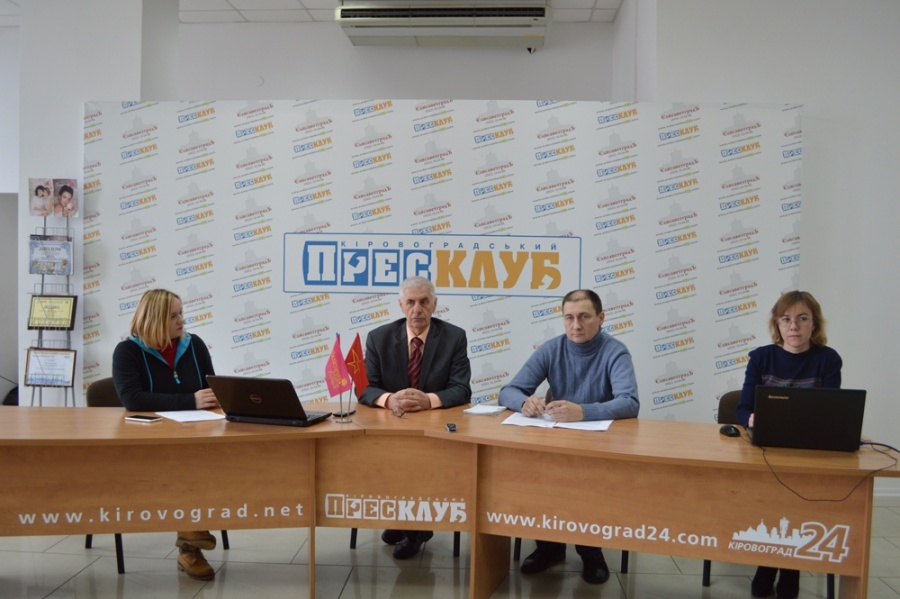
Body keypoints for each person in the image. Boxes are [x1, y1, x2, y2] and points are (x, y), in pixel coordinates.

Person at [499, 288, 639, 585]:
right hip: (557, 441)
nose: (576, 325)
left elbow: (629, 402)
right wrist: (523, 402)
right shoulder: (551, 349)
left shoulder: (615, 351)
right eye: (569, 318)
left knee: (587, 480)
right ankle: (549, 547)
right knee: (535, 472)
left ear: (601, 318)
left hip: (599, 444)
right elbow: (508, 391)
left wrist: (584, 411)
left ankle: (591, 552)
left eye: (584, 317)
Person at [736, 290, 842, 599]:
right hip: (767, 449)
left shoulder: (827, 359)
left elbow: (833, 412)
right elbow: (742, 408)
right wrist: (752, 418)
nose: (793, 326)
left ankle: (786, 567)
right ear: (777, 325)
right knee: (772, 495)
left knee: (797, 493)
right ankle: (772, 562)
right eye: (786, 319)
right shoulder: (761, 357)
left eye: (802, 319)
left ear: (814, 324)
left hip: (810, 452)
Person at [358, 276, 472, 559]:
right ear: (401, 305)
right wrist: (390, 399)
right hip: (392, 428)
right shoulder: (379, 337)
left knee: (418, 459)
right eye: (410, 302)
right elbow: (364, 388)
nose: (417, 309)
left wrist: (429, 400)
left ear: (434, 304)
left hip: (434, 431)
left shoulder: (454, 337)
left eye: (424, 302)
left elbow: (462, 389)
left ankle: (416, 529)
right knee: (386, 459)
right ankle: (402, 519)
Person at [112, 289, 220, 581]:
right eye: (173, 316)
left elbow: (211, 389)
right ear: (154, 319)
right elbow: (132, 398)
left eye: (181, 313)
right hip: (150, 439)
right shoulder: (127, 351)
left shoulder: (195, 345)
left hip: (194, 435)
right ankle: (191, 544)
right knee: (186, 464)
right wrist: (189, 400)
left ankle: (191, 538)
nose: (181, 320)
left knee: (212, 460)